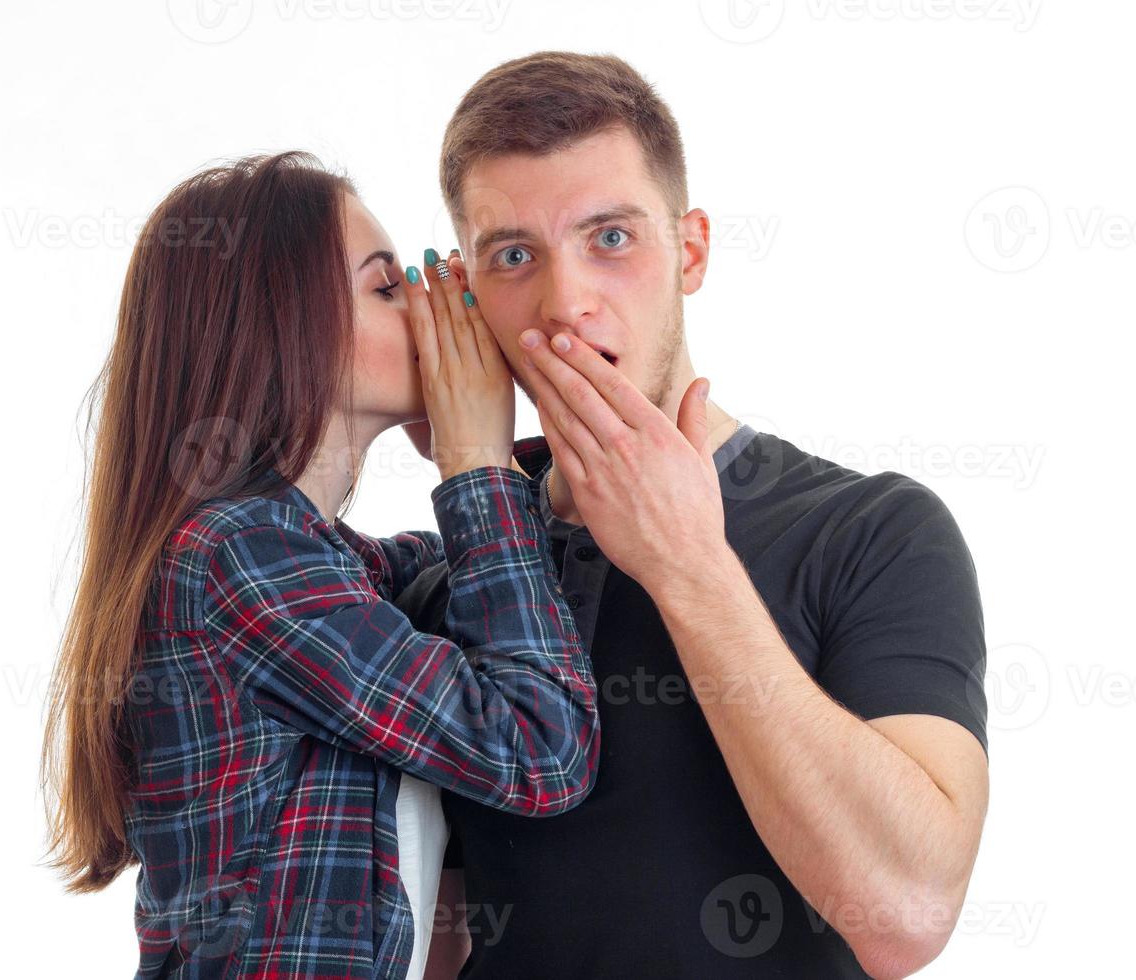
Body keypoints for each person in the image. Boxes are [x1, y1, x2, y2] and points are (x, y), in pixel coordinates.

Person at [400, 52, 990, 980]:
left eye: (612, 238)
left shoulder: (872, 529)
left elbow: (906, 917)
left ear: (693, 249)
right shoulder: (459, 577)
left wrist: (686, 564)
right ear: (468, 293)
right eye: (515, 255)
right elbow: (430, 930)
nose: (567, 302)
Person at [39, 150, 600, 979]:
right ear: (281, 328)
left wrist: (489, 462)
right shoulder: (237, 555)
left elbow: (493, 576)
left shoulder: (330, 565)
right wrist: (471, 462)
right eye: (386, 286)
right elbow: (541, 748)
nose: (431, 303)